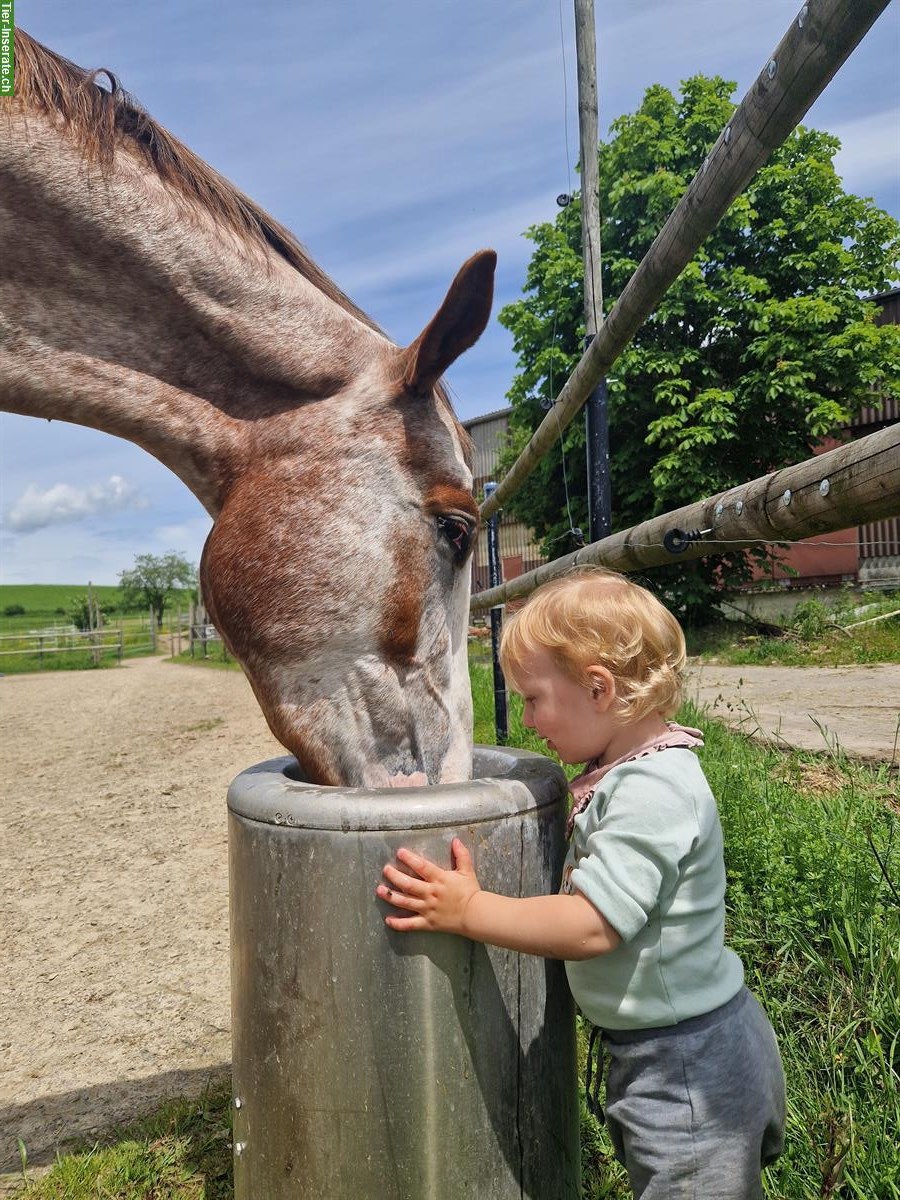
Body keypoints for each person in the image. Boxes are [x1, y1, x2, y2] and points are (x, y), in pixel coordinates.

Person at [376, 567, 785, 1199]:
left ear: (598, 689)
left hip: (688, 1068)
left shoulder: (653, 789)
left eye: (534, 698)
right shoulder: (623, 770)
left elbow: (593, 925)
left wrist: (470, 909)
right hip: (664, 1050)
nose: (529, 718)